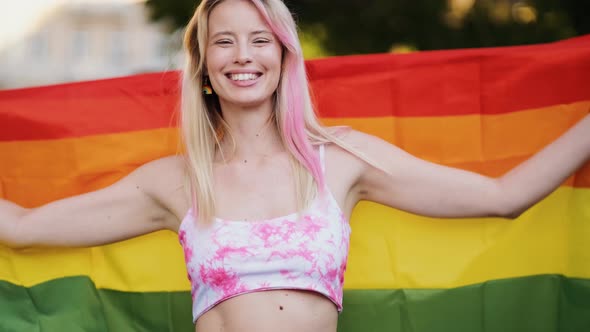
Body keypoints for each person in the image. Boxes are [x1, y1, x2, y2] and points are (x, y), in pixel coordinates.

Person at [1, 0, 589, 331]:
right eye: (224, 42)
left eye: (260, 39)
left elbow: (502, 196)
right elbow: (24, 228)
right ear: (203, 65)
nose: (243, 56)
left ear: (285, 55)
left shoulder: (343, 159)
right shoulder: (176, 182)